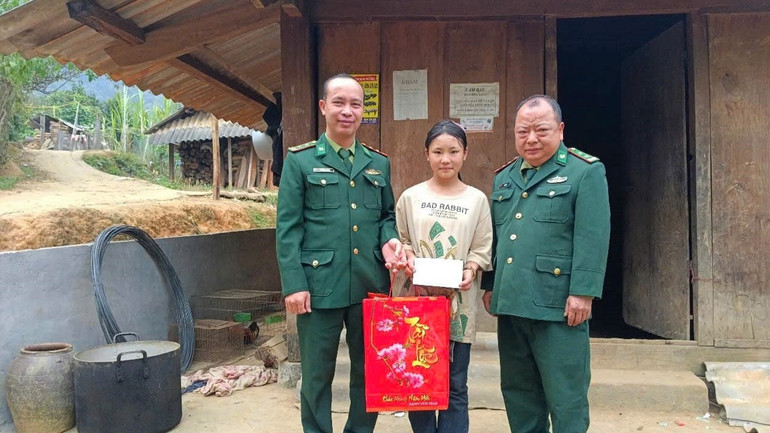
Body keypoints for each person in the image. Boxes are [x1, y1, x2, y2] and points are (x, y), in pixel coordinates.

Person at [276, 73, 406, 433]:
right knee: (317, 376)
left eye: (355, 104)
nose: (347, 111)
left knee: (370, 373)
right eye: (339, 102)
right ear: (323, 107)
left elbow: (386, 216)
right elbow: (288, 228)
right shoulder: (300, 161)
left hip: (369, 283)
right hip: (320, 286)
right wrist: (294, 284)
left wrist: (390, 239)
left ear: (363, 111)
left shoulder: (378, 163)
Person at [482, 95, 610, 433]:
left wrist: (583, 292)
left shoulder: (584, 171)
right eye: (523, 131)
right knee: (520, 395)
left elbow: (593, 236)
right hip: (512, 303)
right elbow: (498, 236)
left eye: (541, 130)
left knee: (566, 398)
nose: (531, 139)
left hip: (558, 306)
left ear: (561, 130)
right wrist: (491, 285)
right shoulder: (505, 177)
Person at [394, 120, 493, 433]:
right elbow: (401, 239)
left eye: (453, 151)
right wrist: (407, 257)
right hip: (417, 303)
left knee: (456, 384)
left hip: (458, 305)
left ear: (465, 154)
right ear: (426, 154)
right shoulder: (411, 198)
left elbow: (482, 247)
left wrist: (471, 269)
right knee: (419, 382)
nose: (445, 159)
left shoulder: (476, 200)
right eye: (438, 152)